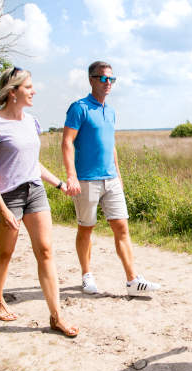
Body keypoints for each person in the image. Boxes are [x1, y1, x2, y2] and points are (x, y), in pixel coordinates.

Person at [0, 66, 78, 337]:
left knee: (45, 251)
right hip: (7, 196)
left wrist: (59, 183)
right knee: (5, 254)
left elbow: (32, 164)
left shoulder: (31, 121)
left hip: (35, 191)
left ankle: (56, 316)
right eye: (29, 87)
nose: (34, 91)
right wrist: (2, 208)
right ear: (13, 92)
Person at [62, 61, 160, 296]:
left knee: (122, 227)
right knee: (86, 228)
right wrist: (71, 176)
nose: (108, 83)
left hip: (111, 179)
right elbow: (67, 142)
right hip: (86, 180)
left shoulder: (111, 111)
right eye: (103, 79)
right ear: (91, 79)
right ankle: (87, 276)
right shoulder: (79, 108)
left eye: (111, 79)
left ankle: (133, 281)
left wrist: (118, 174)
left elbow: (111, 145)